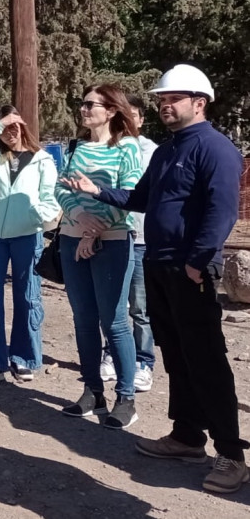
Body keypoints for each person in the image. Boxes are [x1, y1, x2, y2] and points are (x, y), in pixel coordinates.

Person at [64, 64, 249, 493]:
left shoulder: (216, 149)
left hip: (189, 271)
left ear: (198, 103)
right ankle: (187, 436)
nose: (165, 105)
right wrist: (97, 192)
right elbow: (140, 198)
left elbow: (221, 213)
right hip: (160, 267)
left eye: (173, 99)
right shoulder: (167, 150)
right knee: (178, 356)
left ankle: (232, 456)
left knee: (206, 360)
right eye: (162, 100)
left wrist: (197, 262)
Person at [54, 84, 142, 430]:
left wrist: (95, 231)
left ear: (111, 111)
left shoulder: (127, 147)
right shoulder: (76, 146)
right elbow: (61, 188)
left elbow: (130, 194)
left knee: (115, 321)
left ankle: (126, 398)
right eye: (83, 103)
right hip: (72, 241)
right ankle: (92, 391)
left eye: (91, 104)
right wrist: (80, 219)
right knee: (83, 320)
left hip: (112, 242)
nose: (83, 109)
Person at [0, 105, 60, 385]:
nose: (10, 132)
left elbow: (50, 198)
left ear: (23, 124)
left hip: (27, 236)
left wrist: (33, 217)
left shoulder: (42, 159)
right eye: (4, 128)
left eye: (14, 125)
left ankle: (24, 358)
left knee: (28, 298)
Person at [99, 94, 157, 393]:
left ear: (142, 119)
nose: (128, 120)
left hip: (142, 239)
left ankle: (144, 363)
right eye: (123, 114)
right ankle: (111, 356)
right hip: (112, 235)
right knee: (113, 305)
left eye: (132, 114)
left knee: (140, 308)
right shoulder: (108, 147)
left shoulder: (152, 152)